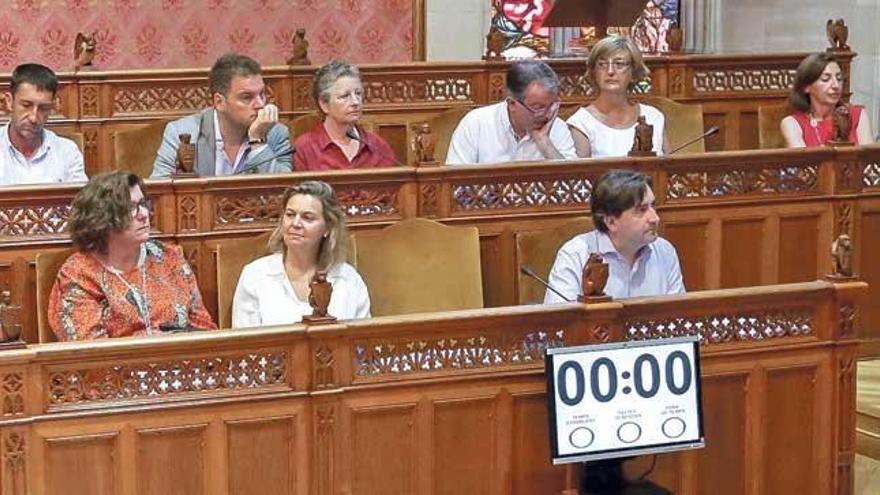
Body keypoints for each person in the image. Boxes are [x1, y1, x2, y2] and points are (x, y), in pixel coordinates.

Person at [48, 171, 216, 340]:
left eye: (143, 204)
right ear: (102, 218)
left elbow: (204, 328)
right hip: (118, 364)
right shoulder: (79, 273)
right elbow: (90, 352)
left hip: (183, 362)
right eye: (131, 208)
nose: (144, 214)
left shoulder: (169, 257)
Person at [232, 181, 370, 327]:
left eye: (307, 217)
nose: (296, 224)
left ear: (327, 228)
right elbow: (242, 345)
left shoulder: (348, 278)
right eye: (290, 215)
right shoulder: (255, 275)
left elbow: (363, 343)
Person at [544, 169, 683, 303]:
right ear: (611, 222)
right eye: (641, 210)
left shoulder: (665, 251)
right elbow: (557, 324)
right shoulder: (575, 255)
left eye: (653, 206)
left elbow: (681, 317)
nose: (655, 218)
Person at [151, 53, 292, 177]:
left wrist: (258, 142)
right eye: (247, 97)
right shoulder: (182, 133)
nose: (260, 104)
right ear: (219, 102)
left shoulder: (276, 134)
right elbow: (159, 195)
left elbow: (284, 192)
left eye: (261, 94)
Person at [445, 60, 576, 164]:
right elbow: (455, 187)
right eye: (538, 107)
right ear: (512, 103)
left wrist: (544, 141)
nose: (547, 115)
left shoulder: (557, 127)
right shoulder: (476, 124)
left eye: (552, 105)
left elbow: (573, 186)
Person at [567, 36, 666, 158]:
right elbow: (578, 175)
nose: (610, 71)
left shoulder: (653, 117)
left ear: (633, 72)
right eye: (602, 64)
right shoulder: (581, 123)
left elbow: (672, 170)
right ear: (593, 72)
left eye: (619, 64)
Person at [294, 61, 397, 170]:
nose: (355, 102)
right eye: (345, 96)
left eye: (358, 94)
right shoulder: (305, 148)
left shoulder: (377, 146)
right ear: (324, 104)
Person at [0, 63, 86, 186]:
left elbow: (81, 202)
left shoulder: (67, 152)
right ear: (9, 102)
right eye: (26, 105)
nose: (33, 118)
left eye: (43, 108)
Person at [781, 52, 873, 147]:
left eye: (839, 78)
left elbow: (869, 159)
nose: (836, 85)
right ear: (806, 87)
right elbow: (803, 161)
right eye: (826, 79)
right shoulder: (792, 124)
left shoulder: (857, 115)